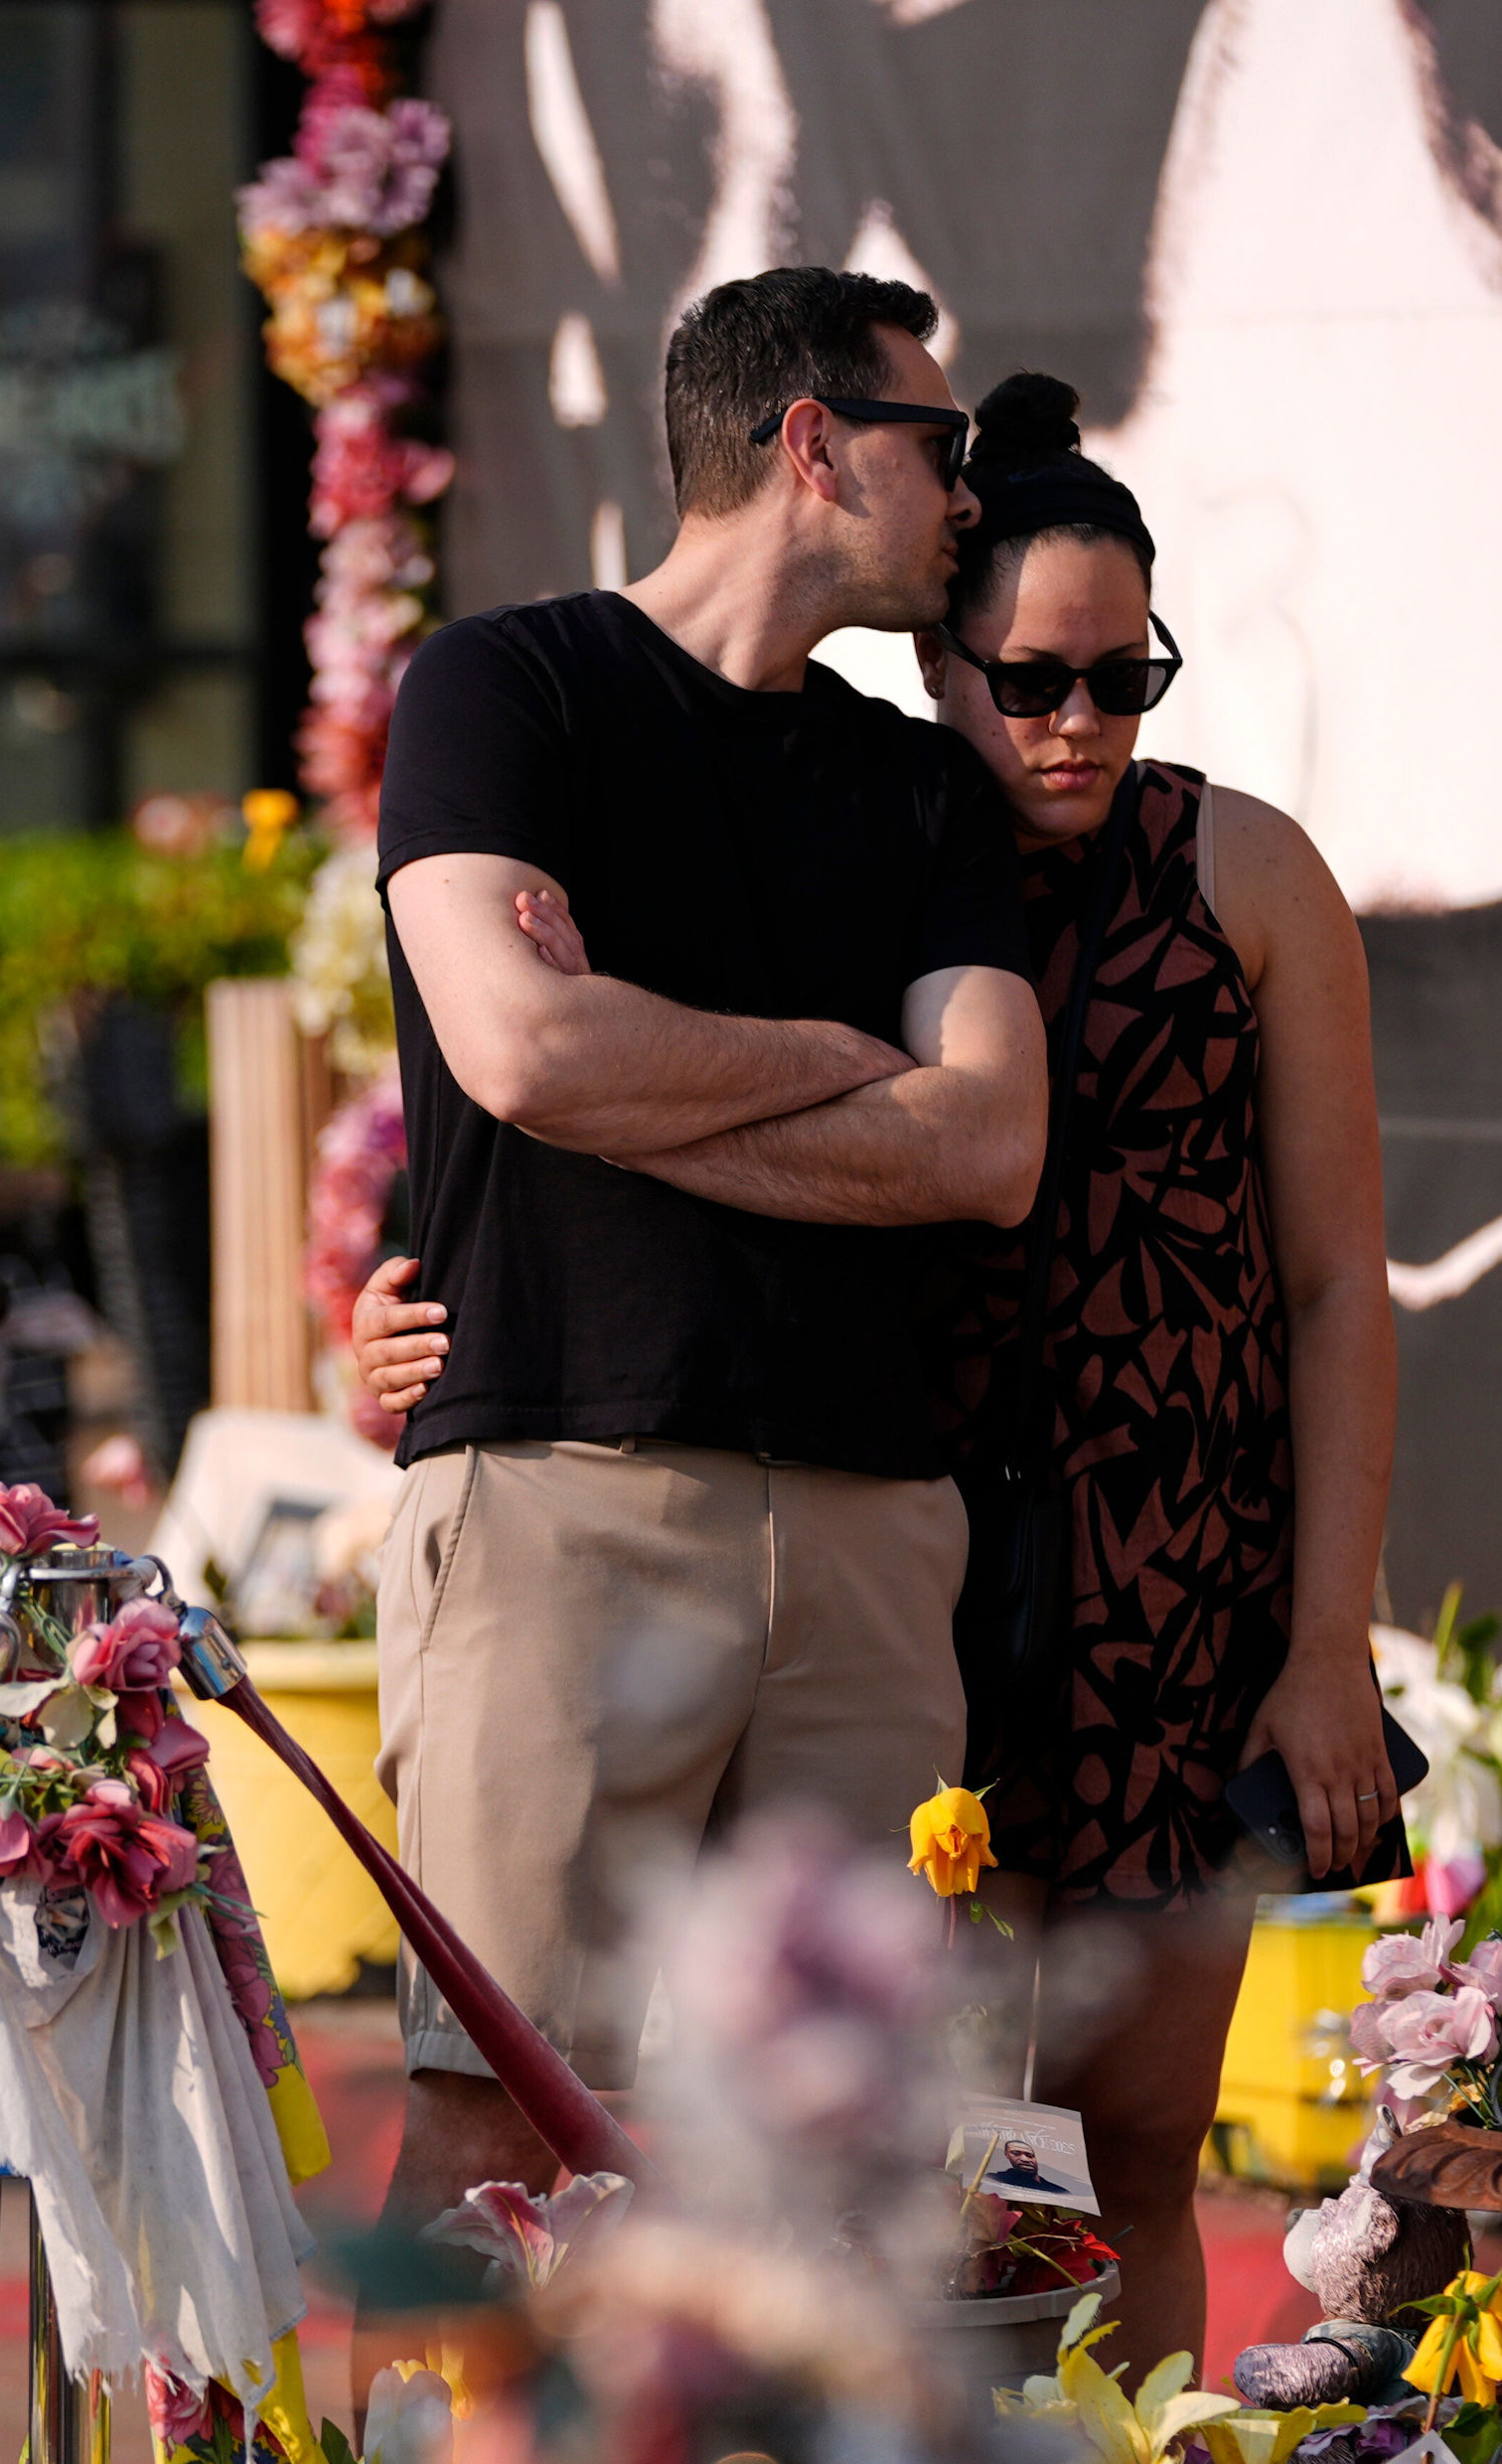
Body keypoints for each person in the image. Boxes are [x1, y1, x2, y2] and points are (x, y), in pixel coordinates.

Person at [361, 375, 1399, 2373]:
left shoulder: (1227, 874)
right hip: (914, 1529)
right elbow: (539, 1063)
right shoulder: (865, 814)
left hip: (1148, 1572)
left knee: (1097, 2155)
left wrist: (1328, 1631)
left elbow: (1329, 1276)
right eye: (1030, 676)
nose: (1079, 724)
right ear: (944, 664)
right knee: (785, 2122)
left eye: (1129, 675)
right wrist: (448, 1273)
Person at [365, 265, 1050, 2237]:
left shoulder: (920, 779)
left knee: (857, 2162)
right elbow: (516, 1045)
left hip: (870, 1528)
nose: (973, 501)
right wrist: (841, 1066)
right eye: (943, 451)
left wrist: (635, 1078)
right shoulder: (508, 688)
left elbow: (989, 1142)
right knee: (501, 2138)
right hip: (562, 1494)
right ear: (815, 445)